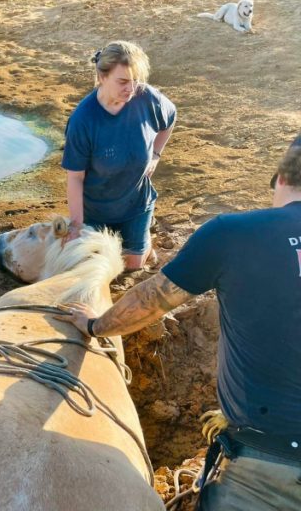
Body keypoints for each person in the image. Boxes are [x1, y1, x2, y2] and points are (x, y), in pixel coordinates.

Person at [56, 134, 301, 510]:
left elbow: (151, 301)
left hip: (266, 473)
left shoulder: (234, 233)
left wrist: (94, 325)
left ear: (280, 179)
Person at [62, 40, 177, 270]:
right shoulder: (83, 120)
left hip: (136, 201)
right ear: (102, 76)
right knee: (94, 265)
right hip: (96, 209)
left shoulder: (147, 98)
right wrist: (76, 226)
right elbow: (75, 178)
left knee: (132, 266)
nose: (131, 89)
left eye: (135, 81)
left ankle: (143, 238)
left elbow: (170, 118)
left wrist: (155, 153)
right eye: (123, 81)